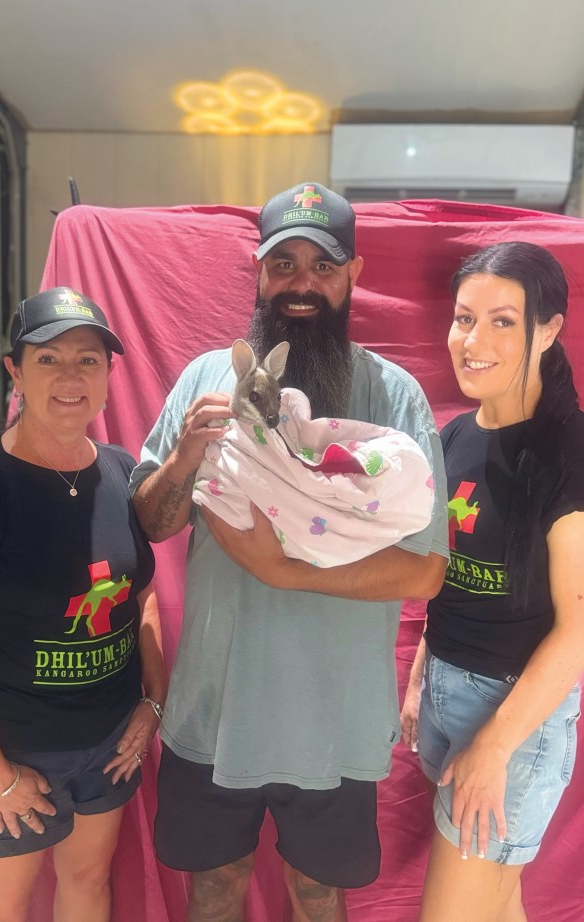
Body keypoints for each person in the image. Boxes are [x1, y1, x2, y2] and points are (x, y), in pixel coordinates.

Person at [130, 182, 449, 922]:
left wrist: (286, 568)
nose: (302, 282)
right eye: (284, 264)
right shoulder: (206, 382)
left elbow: (426, 570)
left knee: (317, 893)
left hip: (331, 721)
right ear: (259, 270)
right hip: (213, 711)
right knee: (212, 887)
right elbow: (152, 525)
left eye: (323, 265)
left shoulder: (394, 397)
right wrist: (181, 461)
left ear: (353, 274)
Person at [0, 287, 166, 922]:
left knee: (87, 885)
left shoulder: (122, 472)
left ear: (110, 374)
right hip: (9, 747)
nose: (70, 377)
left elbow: (142, 602)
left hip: (108, 745)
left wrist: (152, 700)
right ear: (15, 371)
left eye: (87, 360)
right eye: (49, 358)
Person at [399, 242, 584, 922]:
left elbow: (580, 629)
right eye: (463, 318)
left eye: (502, 321)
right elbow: (448, 578)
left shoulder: (571, 451)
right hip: (448, 697)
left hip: (515, 721)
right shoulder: (451, 440)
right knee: (497, 910)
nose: (473, 341)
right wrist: (421, 675)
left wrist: (496, 745)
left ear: (549, 330)